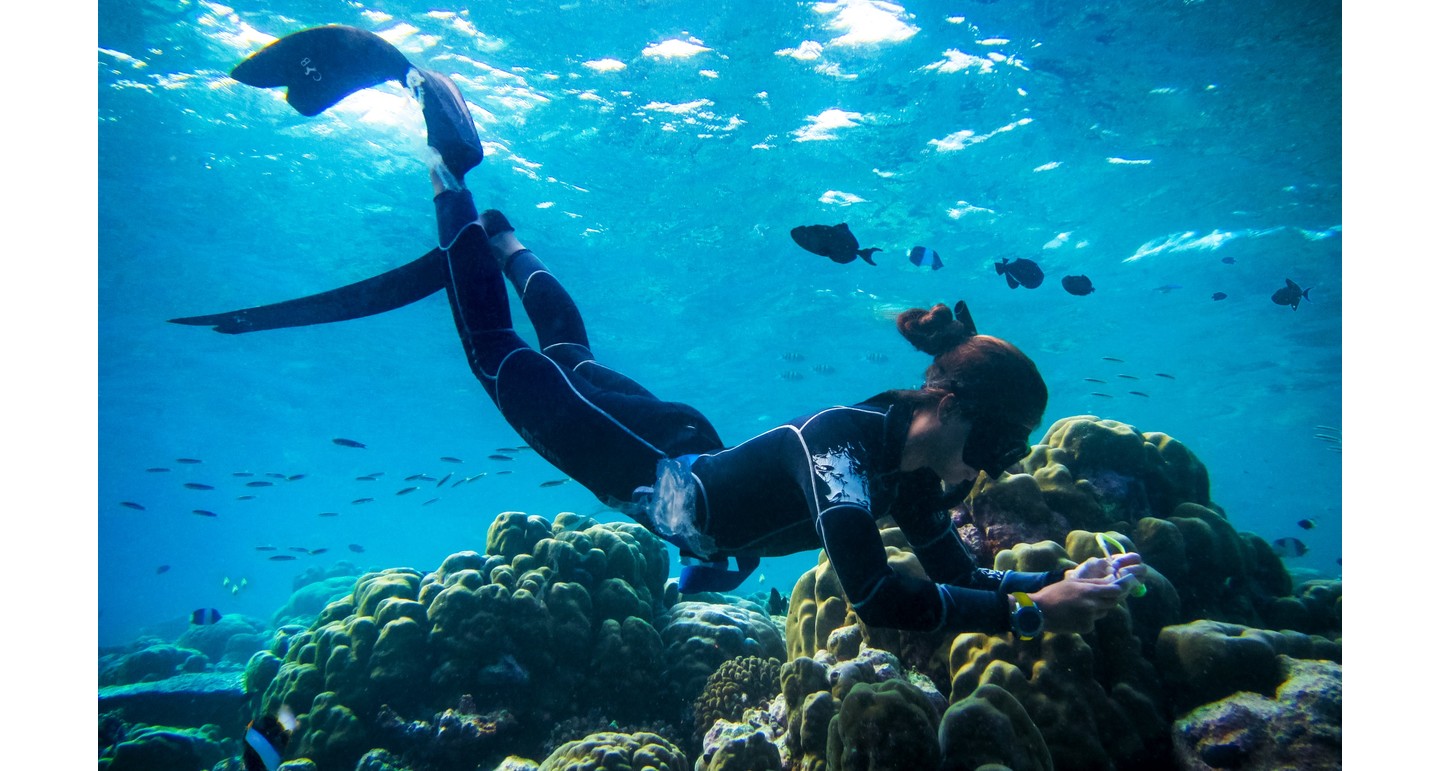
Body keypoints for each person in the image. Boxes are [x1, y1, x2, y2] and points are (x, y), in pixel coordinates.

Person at [173, 26, 1146, 639]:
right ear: (951, 402)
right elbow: (884, 602)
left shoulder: (911, 473)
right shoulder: (847, 452)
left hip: (689, 448)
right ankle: (449, 172)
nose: (999, 467)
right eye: (1005, 444)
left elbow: (955, 574)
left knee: (570, 354)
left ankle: (504, 242)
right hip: (656, 472)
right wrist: (1036, 612)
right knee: (501, 355)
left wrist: (1064, 581)